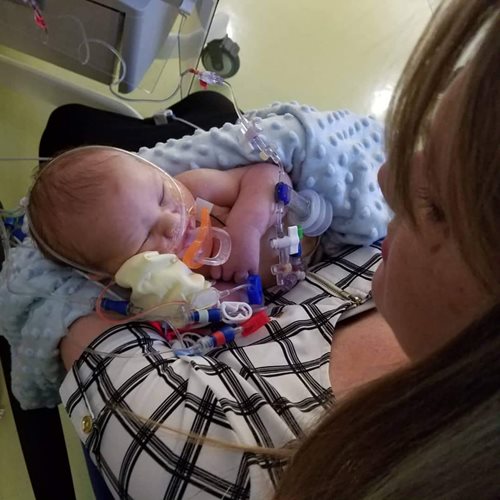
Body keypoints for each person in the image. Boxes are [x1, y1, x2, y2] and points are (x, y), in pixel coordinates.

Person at [58, 0, 499, 498]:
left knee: (71, 126)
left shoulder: (194, 189)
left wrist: (249, 214)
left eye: (438, 207)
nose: (384, 180)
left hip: (279, 233)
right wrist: (199, 299)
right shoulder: (146, 280)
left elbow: (263, 173)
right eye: (140, 239)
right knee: (204, 111)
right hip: (291, 268)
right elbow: (194, 313)